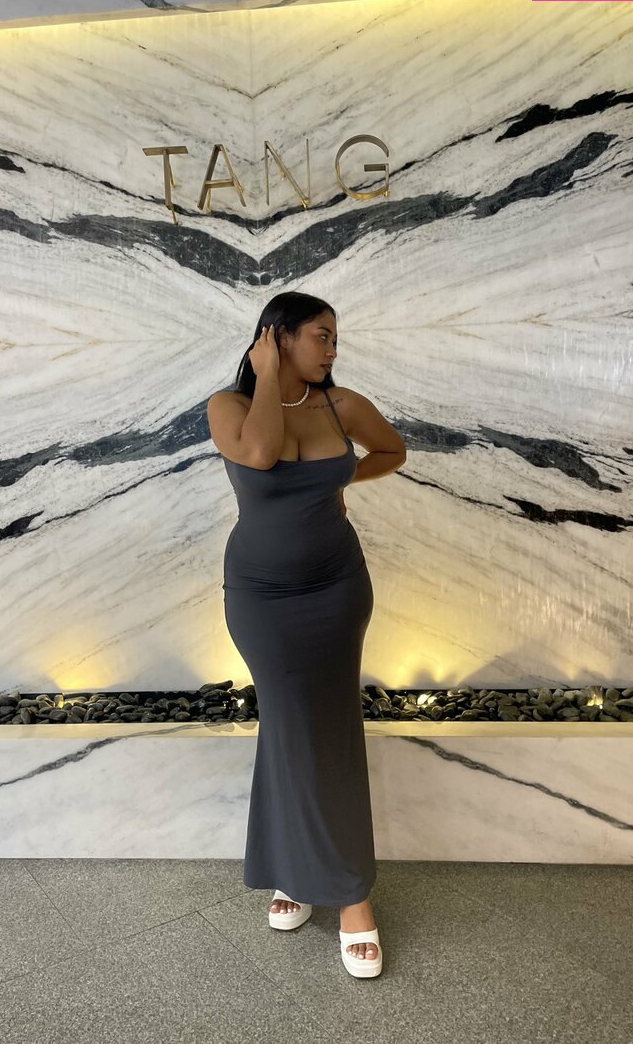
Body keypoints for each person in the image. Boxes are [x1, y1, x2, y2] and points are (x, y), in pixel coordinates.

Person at [206, 291, 406, 978]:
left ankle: (350, 895)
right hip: (262, 599)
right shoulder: (228, 407)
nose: (332, 349)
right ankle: (297, 867)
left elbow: (392, 449)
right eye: (321, 335)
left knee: (328, 728)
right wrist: (267, 376)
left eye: (335, 339)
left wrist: (342, 478)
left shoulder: (341, 406)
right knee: (290, 724)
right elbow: (261, 455)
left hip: (336, 589)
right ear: (277, 335)